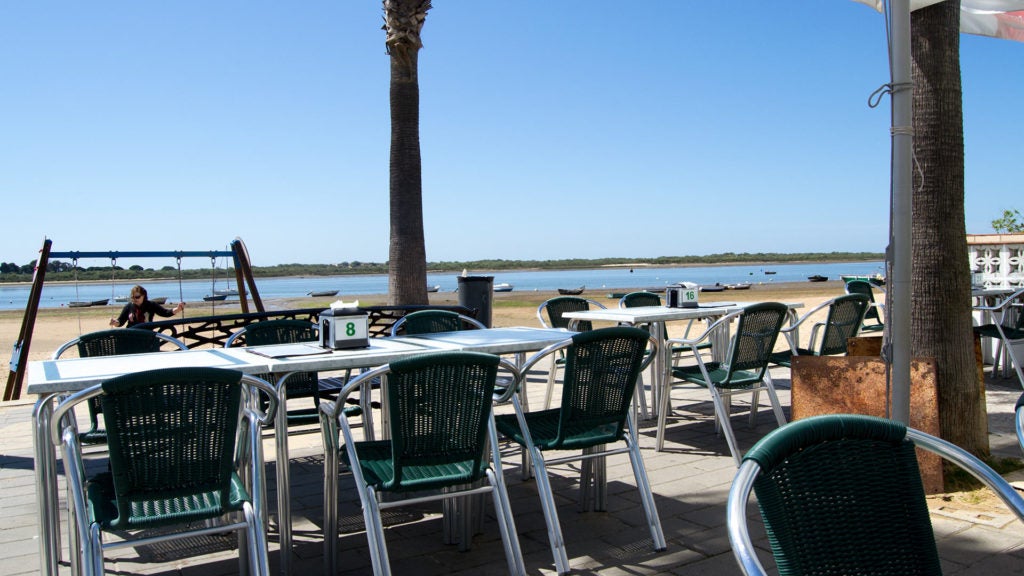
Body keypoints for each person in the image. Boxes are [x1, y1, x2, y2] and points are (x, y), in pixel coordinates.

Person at [109, 285, 185, 328]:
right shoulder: (129, 306)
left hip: (147, 334)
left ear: (143, 296)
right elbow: (120, 322)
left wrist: (178, 309)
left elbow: (165, 313)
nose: (134, 299)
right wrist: (114, 322)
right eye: (132, 297)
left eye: (137, 297)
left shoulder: (151, 305)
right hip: (131, 334)